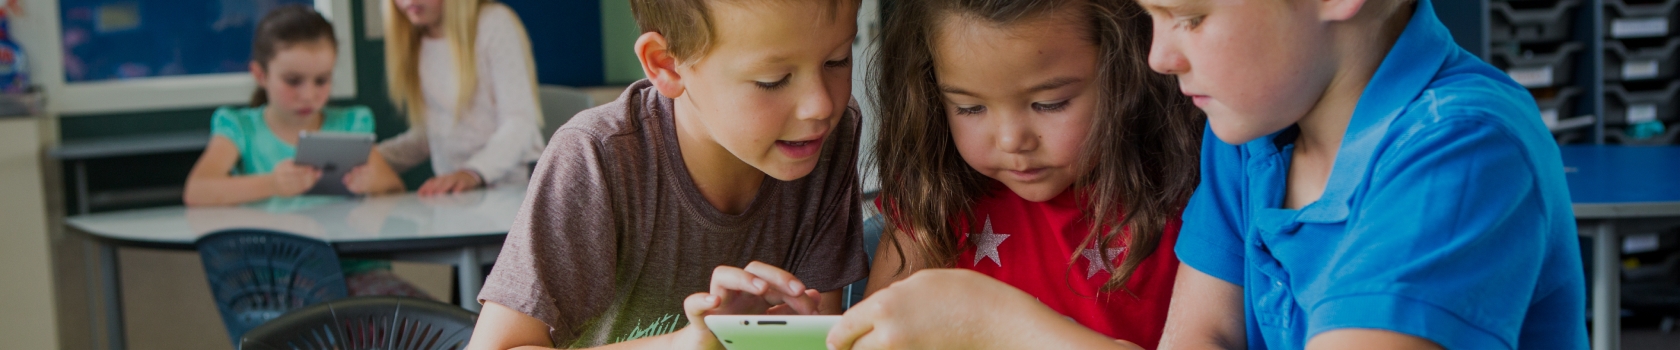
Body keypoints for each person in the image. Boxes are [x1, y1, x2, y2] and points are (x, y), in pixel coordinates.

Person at [828, 0, 1588, 349]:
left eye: (1189, 18)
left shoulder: (1459, 154)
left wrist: (997, 325)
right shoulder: (1251, 140)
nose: (1157, 57)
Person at [466, 0, 869, 349]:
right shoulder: (598, 157)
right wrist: (684, 343)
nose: (819, 105)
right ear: (668, 65)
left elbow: (816, 333)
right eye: (773, 80)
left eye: (837, 60)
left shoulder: (826, 139)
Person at [857, 0, 1201, 348]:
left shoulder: (1191, 200)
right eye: (970, 108)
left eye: (1049, 103)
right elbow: (869, 334)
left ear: (1128, 74)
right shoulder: (936, 196)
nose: (1011, 141)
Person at [184, 5, 403, 206]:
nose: (308, 95)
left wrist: (372, 181)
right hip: (266, 247)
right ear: (260, 75)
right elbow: (197, 191)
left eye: (321, 80)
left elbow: (395, 189)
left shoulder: (350, 125)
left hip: (334, 247)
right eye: (293, 81)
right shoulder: (240, 127)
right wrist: (272, 184)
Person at [378, 0, 544, 196]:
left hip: (515, 187)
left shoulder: (493, 23)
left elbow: (520, 122)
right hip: (459, 195)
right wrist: (370, 158)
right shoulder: (418, 39)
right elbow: (432, 135)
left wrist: (472, 172)